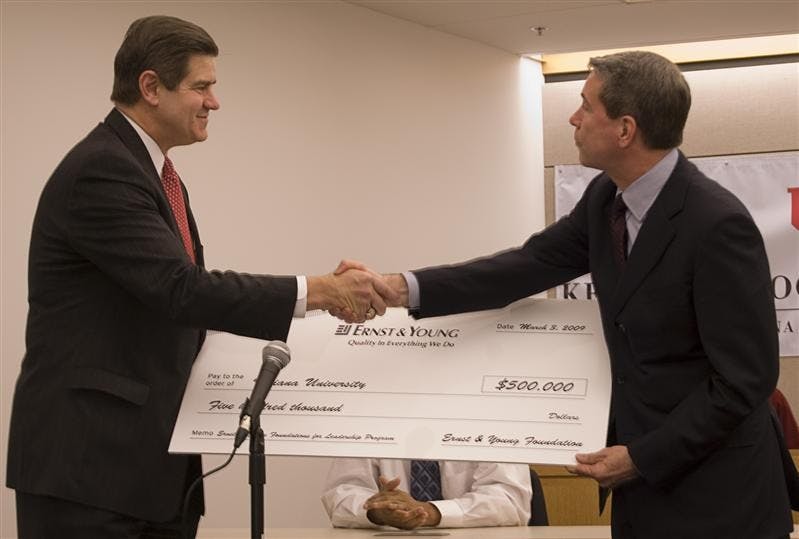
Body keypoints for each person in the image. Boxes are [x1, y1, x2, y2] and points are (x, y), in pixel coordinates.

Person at [339, 51, 798, 538]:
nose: (572, 118)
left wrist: (641, 457)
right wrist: (397, 289)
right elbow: (523, 267)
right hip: (643, 493)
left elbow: (745, 380)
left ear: (625, 129)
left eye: (585, 105)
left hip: (721, 495)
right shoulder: (605, 199)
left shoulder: (716, 224)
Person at [5, 15, 395, 539]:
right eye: (202, 86)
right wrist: (318, 291)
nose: (215, 102)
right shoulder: (104, 169)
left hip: (150, 469)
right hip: (91, 471)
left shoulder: (156, 173)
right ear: (150, 87)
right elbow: (181, 289)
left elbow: (181, 300)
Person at [321, 458, 532, 529]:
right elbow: (342, 494)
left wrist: (432, 512)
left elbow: (508, 500)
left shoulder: (494, 412)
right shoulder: (368, 411)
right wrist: (376, 511)